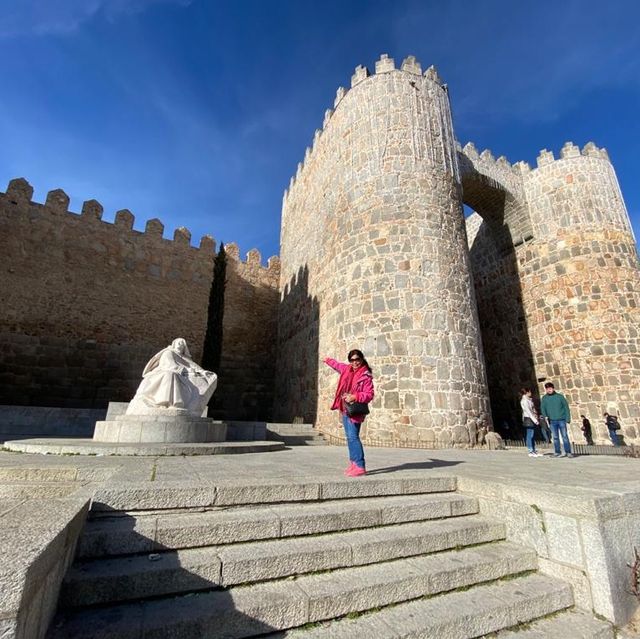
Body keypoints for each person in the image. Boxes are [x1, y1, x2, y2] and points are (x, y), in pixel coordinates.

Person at [127, 338, 217, 416]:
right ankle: (165, 403)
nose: (180, 345)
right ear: (174, 344)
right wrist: (187, 371)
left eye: (182, 344)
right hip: (164, 372)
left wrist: (203, 372)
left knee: (198, 380)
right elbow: (169, 365)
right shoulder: (168, 352)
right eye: (179, 343)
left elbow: (194, 367)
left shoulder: (184, 358)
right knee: (170, 375)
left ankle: (186, 404)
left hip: (182, 374)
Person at [323, 349, 375, 477]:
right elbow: (337, 365)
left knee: (353, 437)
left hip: (355, 410)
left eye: (357, 359)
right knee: (349, 438)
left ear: (362, 359)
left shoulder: (366, 376)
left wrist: (354, 396)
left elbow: (369, 394)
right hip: (345, 408)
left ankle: (359, 465)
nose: (355, 362)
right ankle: (353, 463)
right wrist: (327, 360)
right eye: (352, 360)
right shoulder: (347, 369)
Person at [540, 381, 574, 458]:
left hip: (561, 419)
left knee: (565, 436)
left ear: (553, 388)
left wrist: (567, 418)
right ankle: (557, 451)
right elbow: (543, 408)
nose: (549, 390)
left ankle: (568, 452)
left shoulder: (560, 397)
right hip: (552, 420)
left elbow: (566, 407)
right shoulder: (545, 398)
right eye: (547, 389)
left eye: (550, 388)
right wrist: (545, 416)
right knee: (555, 437)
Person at [520, 388, 541, 457]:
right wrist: (535, 420)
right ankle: (530, 450)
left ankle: (533, 450)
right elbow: (528, 411)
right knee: (530, 435)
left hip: (531, 418)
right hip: (529, 418)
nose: (531, 393)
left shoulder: (529, 400)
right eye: (530, 392)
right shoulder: (525, 401)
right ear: (527, 392)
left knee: (532, 435)